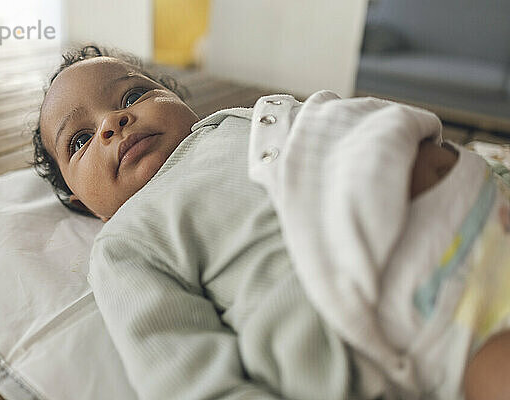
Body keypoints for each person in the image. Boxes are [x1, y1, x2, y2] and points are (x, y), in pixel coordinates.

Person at [32, 45, 510, 399]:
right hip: (415, 311)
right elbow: (181, 372)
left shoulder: (244, 123)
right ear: (80, 201)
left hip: (485, 203)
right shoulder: (125, 241)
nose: (113, 122)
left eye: (133, 94)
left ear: (180, 103)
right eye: (79, 140)